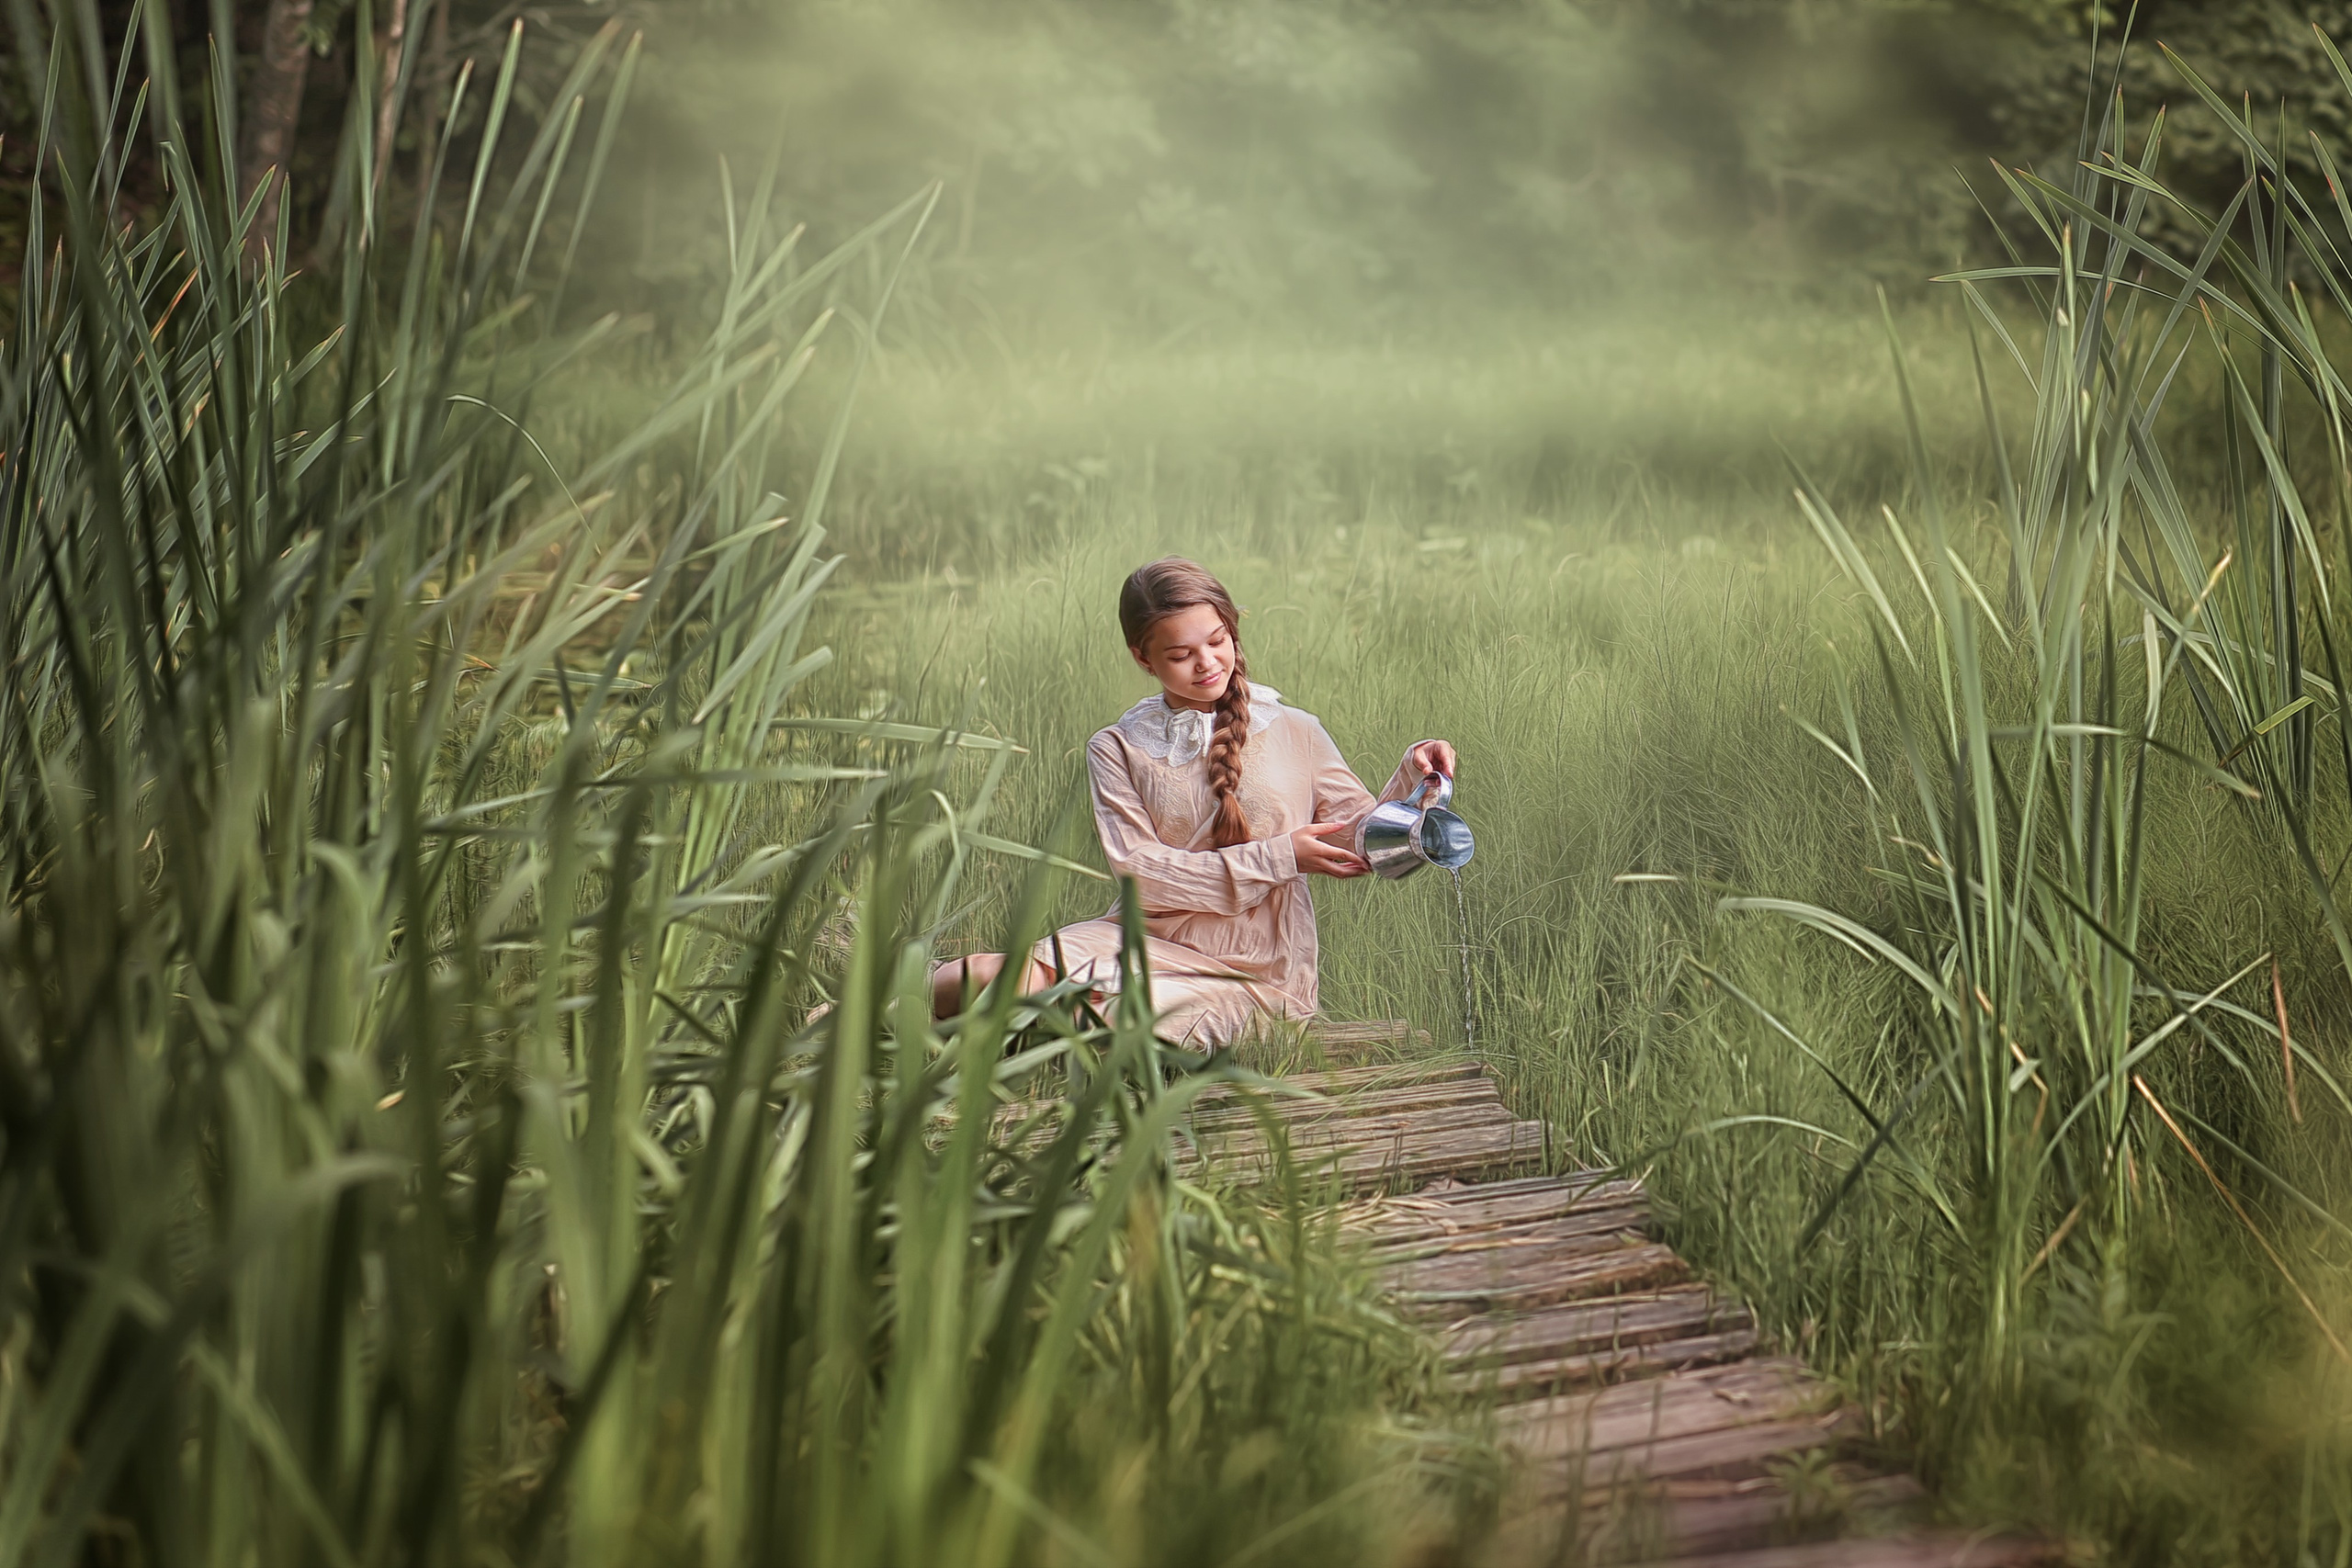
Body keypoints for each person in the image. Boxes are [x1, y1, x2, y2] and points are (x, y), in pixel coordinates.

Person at [936, 557, 1457, 1046]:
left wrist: (1415, 782)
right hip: (1139, 942)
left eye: (1217, 641)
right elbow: (1143, 873)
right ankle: (983, 1028)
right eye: (1181, 655)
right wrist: (1282, 855)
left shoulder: (1296, 730)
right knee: (968, 976)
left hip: (1255, 967)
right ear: (1143, 658)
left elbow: (1360, 843)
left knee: (1122, 1019)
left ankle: (1019, 1037)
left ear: (1232, 629)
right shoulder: (1117, 747)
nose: (1207, 664)